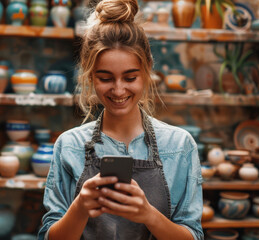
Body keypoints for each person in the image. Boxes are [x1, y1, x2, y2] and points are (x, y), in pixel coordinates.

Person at [38, 0, 203, 239]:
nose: (118, 90)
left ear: (147, 71)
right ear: (90, 75)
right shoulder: (69, 145)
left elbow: (194, 235)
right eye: (105, 78)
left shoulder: (179, 146)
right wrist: (80, 207)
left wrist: (148, 214)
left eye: (130, 77)